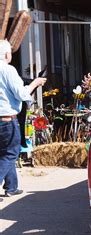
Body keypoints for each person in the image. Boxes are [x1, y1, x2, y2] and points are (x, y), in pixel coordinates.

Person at [0, 40, 46, 200]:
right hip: (6, 119)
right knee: (11, 153)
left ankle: (11, 186)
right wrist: (35, 83)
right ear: (7, 54)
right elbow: (21, 94)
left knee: (4, 154)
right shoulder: (8, 69)